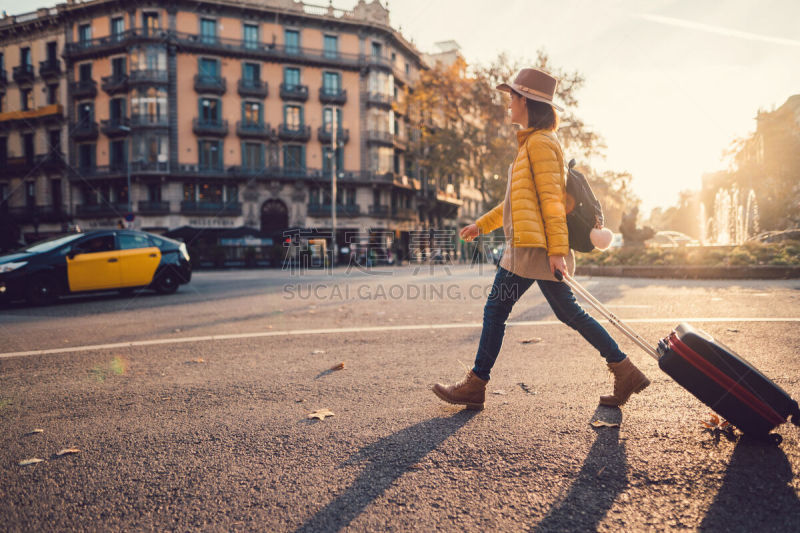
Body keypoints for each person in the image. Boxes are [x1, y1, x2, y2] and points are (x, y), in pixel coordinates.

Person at [432, 68, 650, 411]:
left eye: (512, 96)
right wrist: (482, 225)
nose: (508, 102)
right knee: (568, 313)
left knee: (497, 308)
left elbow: (551, 200)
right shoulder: (533, 143)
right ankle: (624, 370)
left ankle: (476, 385)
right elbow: (515, 201)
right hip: (531, 247)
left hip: (533, 249)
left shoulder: (542, 144)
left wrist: (557, 251)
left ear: (526, 102)